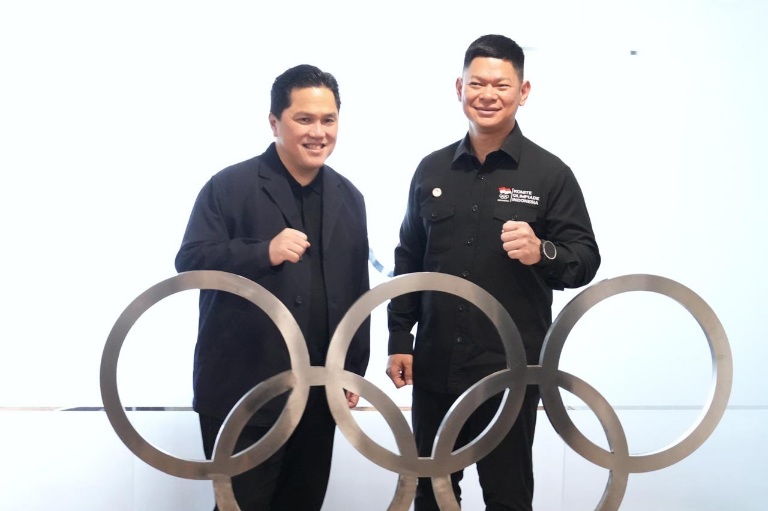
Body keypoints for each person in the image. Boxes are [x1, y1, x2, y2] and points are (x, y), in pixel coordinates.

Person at [386, 35, 600, 511]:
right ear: (459, 87)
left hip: (510, 369)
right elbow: (409, 258)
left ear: (523, 92)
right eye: (477, 83)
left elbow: (585, 258)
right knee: (430, 491)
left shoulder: (550, 174)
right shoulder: (431, 170)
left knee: (507, 495)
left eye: (501, 85)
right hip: (436, 364)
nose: (487, 95)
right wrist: (400, 336)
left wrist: (542, 251)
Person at [175, 64, 370, 511]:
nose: (318, 132)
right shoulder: (229, 186)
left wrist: (353, 366)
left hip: (318, 392)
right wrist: (263, 252)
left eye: (328, 119)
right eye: (304, 119)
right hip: (242, 393)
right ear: (274, 122)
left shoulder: (350, 197)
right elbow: (191, 261)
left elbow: (357, 290)